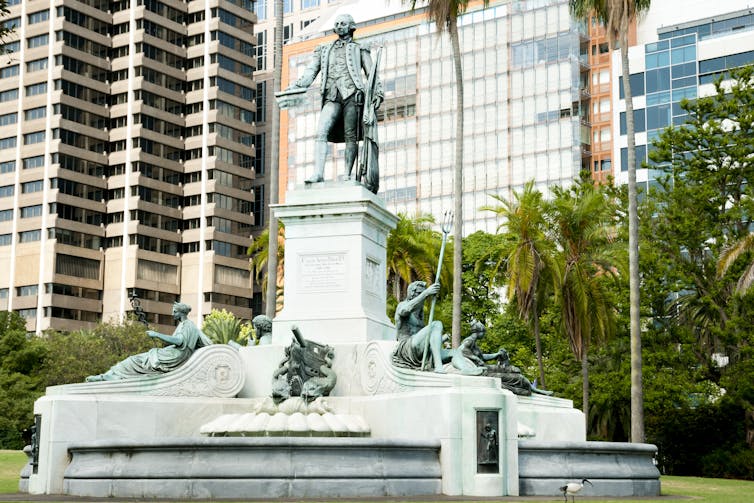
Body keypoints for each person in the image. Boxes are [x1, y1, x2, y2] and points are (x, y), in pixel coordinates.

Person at [287, 13, 383, 187]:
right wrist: (296, 86)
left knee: (350, 136)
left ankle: (347, 175)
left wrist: (378, 92)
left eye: (343, 23)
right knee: (321, 131)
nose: (339, 26)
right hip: (331, 95)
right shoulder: (323, 49)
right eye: (337, 23)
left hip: (353, 96)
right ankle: (318, 173)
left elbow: (371, 74)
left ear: (351, 27)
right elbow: (310, 72)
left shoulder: (360, 48)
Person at [86, 302, 212, 382]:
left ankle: (110, 376)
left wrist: (157, 334)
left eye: (175, 312)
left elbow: (180, 341)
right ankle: (108, 375)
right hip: (170, 353)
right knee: (136, 359)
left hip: (174, 357)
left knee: (134, 360)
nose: (172, 314)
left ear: (181, 313)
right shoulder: (184, 325)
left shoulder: (188, 325)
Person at [392, 280, 448, 373]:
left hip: (418, 350)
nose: (422, 296)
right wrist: (426, 293)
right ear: (411, 294)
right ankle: (439, 367)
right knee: (436, 324)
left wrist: (442, 339)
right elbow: (404, 311)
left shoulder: (420, 314)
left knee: (455, 352)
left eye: (422, 293)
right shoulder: (402, 305)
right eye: (419, 293)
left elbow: (426, 340)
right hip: (406, 347)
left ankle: (468, 371)